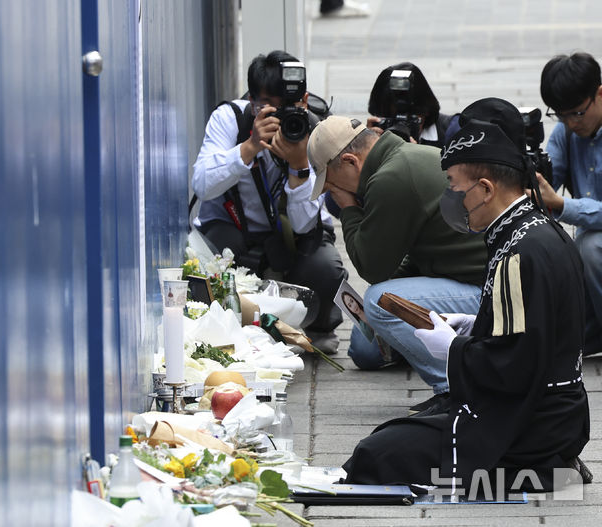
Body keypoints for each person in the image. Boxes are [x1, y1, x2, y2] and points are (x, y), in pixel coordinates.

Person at [342, 97, 590, 496]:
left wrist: (454, 348)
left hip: (531, 424)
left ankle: (546, 470)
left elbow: (512, 369)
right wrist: (477, 326)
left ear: (486, 188)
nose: (452, 199)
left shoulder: (518, 251)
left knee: (376, 455)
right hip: (557, 416)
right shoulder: (537, 229)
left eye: (456, 187)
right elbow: (535, 334)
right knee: (394, 438)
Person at [307, 116, 487, 414]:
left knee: (378, 302)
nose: (334, 195)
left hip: (486, 293)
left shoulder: (390, 177)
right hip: (472, 280)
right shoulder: (402, 158)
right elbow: (411, 257)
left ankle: (453, 389)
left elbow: (371, 267)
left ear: (351, 162)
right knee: (365, 345)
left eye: (333, 186)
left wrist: (349, 208)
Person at [191, 50, 347, 353]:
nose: (278, 115)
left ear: (302, 101)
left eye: (286, 106)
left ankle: (315, 324)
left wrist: (299, 165)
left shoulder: (314, 129)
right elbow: (202, 185)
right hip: (236, 229)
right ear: (251, 99)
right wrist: (248, 148)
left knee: (324, 267)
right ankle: (232, 326)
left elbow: (305, 226)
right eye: (266, 105)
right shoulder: (231, 119)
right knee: (213, 261)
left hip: (297, 237)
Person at [538, 51, 602, 357]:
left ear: (599, 94)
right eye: (560, 115)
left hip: (593, 248)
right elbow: (550, 175)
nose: (569, 123)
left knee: (591, 246)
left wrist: (562, 205)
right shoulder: (566, 129)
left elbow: (560, 202)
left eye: (577, 113)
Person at [367, 62, 458, 148]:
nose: (402, 127)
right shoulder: (377, 139)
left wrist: (415, 154)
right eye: (393, 120)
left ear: (425, 110)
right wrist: (368, 148)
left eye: (410, 120)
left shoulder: (453, 132)